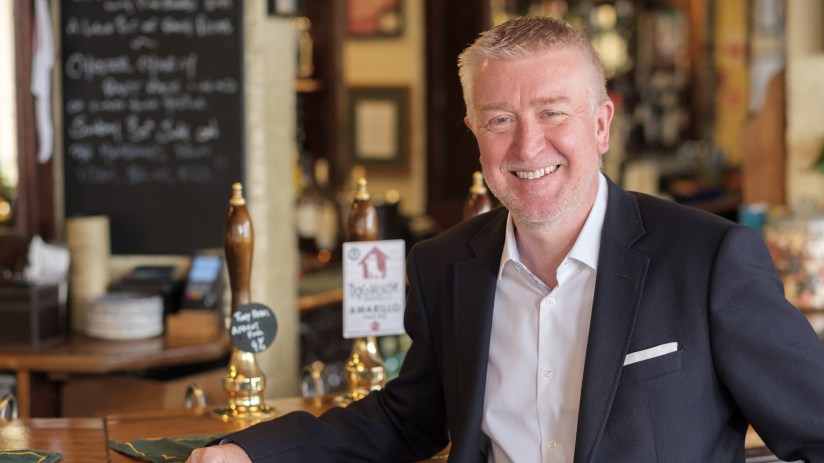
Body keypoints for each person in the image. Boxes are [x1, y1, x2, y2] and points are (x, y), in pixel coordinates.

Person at [189, 15, 824, 463]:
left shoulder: (708, 259)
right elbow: (407, 419)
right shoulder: (444, 266)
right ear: (474, 131)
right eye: (500, 120)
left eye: (553, 113)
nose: (528, 146)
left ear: (601, 124)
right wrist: (251, 452)